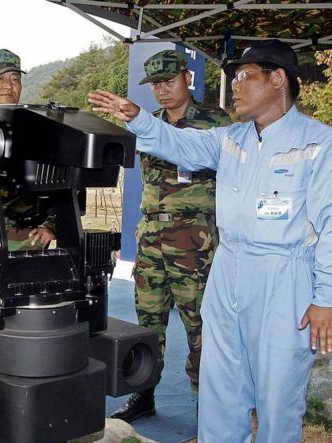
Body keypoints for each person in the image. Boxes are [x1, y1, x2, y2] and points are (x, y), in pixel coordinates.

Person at [89, 39, 332, 443]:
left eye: (244, 76)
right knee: (221, 389)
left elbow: (329, 224)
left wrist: (325, 297)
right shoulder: (230, 138)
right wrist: (138, 118)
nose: (234, 85)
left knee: (278, 397)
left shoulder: (318, 143)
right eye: (233, 78)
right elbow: (179, 144)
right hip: (228, 269)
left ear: (278, 79)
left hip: (284, 278)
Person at [110, 50, 231, 422]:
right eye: (155, 84)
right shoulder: (147, 123)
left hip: (195, 239)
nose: (162, 90)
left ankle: (206, 399)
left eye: (169, 81)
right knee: (148, 320)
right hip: (151, 237)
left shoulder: (216, 122)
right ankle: (143, 392)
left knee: (200, 322)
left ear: (187, 78)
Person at [0, 48, 55, 250]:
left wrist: (51, 226)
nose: (8, 85)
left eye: (15, 79)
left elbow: (68, 185)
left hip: (27, 240)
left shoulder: (40, 128)